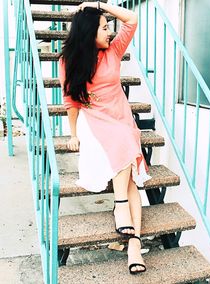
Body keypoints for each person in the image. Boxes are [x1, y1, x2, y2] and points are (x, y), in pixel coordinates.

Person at [59, 1, 151, 274]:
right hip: (94, 121)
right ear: (89, 33)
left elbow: (132, 18)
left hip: (120, 120)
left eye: (109, 26)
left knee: (130, 170)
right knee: (125, 148)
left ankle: (131, 237)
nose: (110, 31)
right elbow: (70, 101)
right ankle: (129, 231)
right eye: (103, 27)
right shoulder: (69, 61)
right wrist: (73, 134)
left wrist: (100, 6)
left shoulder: (113, 51)